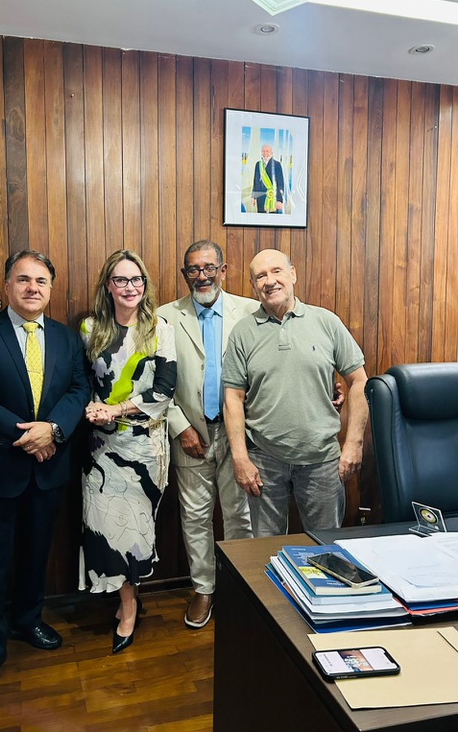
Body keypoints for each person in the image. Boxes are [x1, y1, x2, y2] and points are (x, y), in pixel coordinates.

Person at [0, 250, 90, 700]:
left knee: (36, 551)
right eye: (23, 279)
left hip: (49, 465)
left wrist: (52, 430)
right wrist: (28, 435)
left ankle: (27, 620)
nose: (33, 288)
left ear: (51, 289)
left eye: (42, 281)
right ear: (6, 287)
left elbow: (78, 390)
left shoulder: (68, 339)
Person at [223, 249, 368, 537]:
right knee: (265, 551)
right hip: (264, 461)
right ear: (253, 287)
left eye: (277, 271)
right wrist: (240, 458)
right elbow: (233, 399)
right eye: (260, 276)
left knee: (326, 548)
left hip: (322, 460)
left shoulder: (326, 322)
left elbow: (360, 381)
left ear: (293, 274)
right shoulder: (242, 332)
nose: (270, 281)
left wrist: (354, 443)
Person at [80, 249, 177, 654]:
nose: (130, 287)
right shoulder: (89, 329)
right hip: (101, 447)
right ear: (108, 286)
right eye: (121, 280)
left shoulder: (159, 328)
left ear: (145, 285)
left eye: (136, 280)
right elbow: (79, 381)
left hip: (144, 447)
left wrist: (115, 408)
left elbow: (164, 390)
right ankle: (124, 601)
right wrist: (90, 407)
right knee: (103, 524)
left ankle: (130, 605)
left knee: (135, 529)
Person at [157, 240, 256, 629]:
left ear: (223, 269)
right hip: (190, 435)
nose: (202, 276)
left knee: (239, 515)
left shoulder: (249, 312)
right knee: (195, 517)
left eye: (209, 268)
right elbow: (153, 382)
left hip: (239, 436)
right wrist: (180, 427)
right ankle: (204, 589)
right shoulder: (164, 317)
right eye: (194, 270)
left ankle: (241, 585)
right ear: (184, 274)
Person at [251, 144, 285, 213]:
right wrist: (253, 197)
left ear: (272, 153)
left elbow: (280, 183)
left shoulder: (277, 164)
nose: (265, 153)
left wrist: (279, 200)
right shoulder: (258, 164)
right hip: (260, 197)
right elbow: (255, 182)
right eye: (263, 151)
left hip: (273, 197)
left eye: (267, 151)